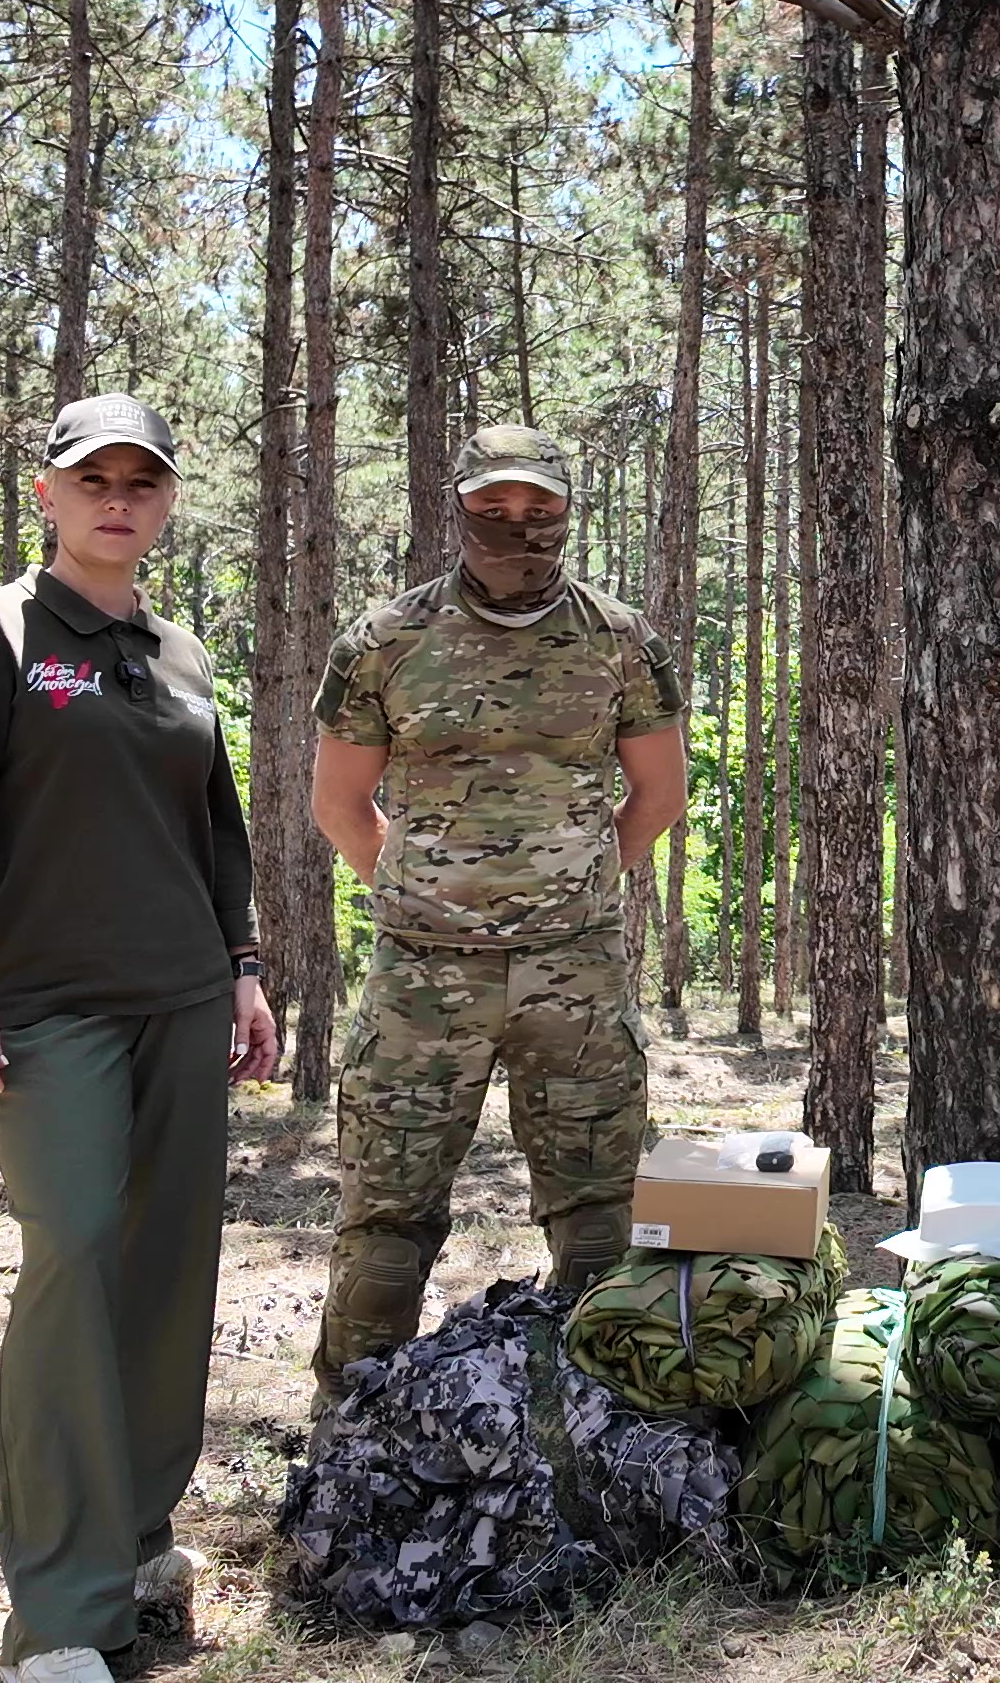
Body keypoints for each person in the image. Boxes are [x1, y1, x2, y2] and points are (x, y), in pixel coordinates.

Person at [0, 395, 282, 1683]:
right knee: (71, 1254)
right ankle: (61, 1621)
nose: (119, 497)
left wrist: (241, 969)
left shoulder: (181, 654)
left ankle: (137, 1543)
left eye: (143, 481)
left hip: (181, 1002)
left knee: (169, 1269)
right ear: (48, 494)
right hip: (45, 1006)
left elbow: (212, 830)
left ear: (166, 502)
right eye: (92, 477)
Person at [307, 424, 689, 1402]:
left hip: (578, 974)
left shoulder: (620, 640)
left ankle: (602, 1436)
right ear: (459, 509)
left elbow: (657, 795)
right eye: (492, 509)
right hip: (420, 983)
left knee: (600, 1214)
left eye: (538, 511)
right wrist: (424, 894)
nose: (515, 527)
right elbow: (340, 805)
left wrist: (579, 887)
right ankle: (349, 1435)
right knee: (387, 1217)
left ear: (567, 514)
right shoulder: (385, 640)